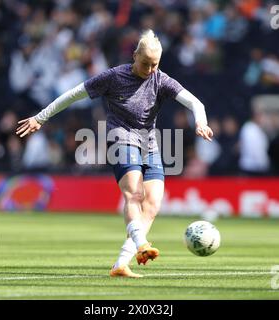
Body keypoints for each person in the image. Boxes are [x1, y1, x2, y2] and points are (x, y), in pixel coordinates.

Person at [16, 30, 213, 278]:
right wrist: (40, 117)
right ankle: (142, 244)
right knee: (134, 193)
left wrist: (200, 122)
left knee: (152, 205)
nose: (150, 69)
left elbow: (196, 103)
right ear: (134, 56)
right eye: (145, 63)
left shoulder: (160, 79)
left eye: (155, 64)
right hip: (120, 137)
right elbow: (73, 94)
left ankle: (121, 264)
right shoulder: (113, 77)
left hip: (149, 144)